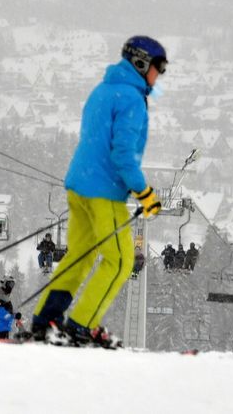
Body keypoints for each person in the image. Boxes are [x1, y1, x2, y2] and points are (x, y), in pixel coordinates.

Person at [30, 35, 167, 348]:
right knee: (119, 261)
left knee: (78, 255)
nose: (159, 76)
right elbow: (123, 155)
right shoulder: (132, 99)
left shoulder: (102, 90)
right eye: (158, 68)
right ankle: (80, 325)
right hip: (105, 192)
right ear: (142, 63)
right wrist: (144, 194)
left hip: (79, 185)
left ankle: (45, 321)